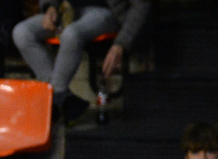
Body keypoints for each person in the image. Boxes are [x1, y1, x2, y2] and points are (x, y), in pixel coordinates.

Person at [12, 0, 151, 121]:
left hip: (104, 12)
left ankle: (52, 105)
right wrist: (50, 7)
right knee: (22, 32)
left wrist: (120, 44)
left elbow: (141, 5)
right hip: (68, 9)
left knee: (71, 34)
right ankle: (63, 100)